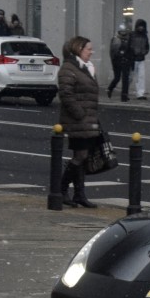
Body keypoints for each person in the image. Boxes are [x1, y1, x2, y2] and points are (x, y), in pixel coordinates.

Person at [57, 36, 100, 208]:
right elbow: (66, 94)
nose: (91, 52)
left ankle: (79, 194)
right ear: (78, 49)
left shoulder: (86, 68)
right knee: (80, 156)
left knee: (82, 157)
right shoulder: (69, 68)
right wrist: (80, 113)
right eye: (88, 49)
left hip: (87, 120)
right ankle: (61, 189)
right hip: (77, 121)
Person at [107, 25, 132, 102]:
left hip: (125, 60)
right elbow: (113, 52)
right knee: (117, 77)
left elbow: (130, 50)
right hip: (117, 61)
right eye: (122, 31)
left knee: (125, 78)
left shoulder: (128, 39)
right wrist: (115, 60)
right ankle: (110, 88)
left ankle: (124, 95)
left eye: (124, 31)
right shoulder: (116, 39)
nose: (123, 33)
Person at [130, 18, 150, 100]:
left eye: (142, 26)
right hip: (134, 58)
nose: (141, 28)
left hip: (140, 58)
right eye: (140, 26)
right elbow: (130, 45)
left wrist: (144, 52)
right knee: (132, 76)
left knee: (141, 76)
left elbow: (147, 46)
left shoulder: (144, 35)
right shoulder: (134, 35)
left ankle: (140, 93)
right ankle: (135, 92)